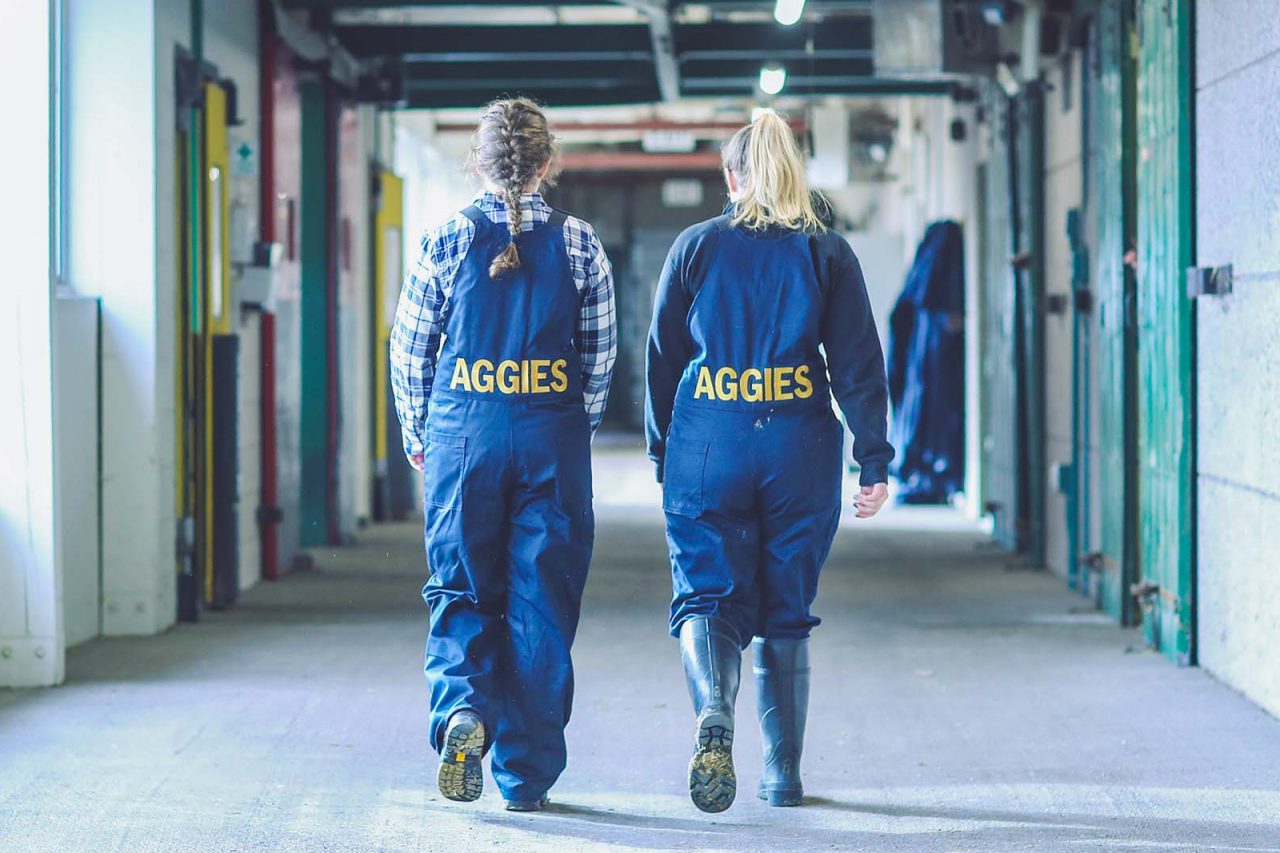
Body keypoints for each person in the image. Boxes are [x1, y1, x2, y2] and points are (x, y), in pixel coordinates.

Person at [645, 109, 893, 813]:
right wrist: (873, 459)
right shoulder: (827, 253)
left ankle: (712, 708)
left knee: (705, 595)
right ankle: (783, 775)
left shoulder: (695, 247)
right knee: (786, 609)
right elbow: (858, 364)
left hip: (709, 439)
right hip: (797, 445)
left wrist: (664, 451)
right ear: (794, 176)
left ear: (731, 178)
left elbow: (662, 359)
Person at [390, 98, 616, 813]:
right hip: (551, 436)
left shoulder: (445, 239)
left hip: (465, 434)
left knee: (460, 587)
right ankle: (526, 776)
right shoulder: (580, 243)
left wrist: (420, 435)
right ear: (546, 164)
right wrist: (569, 428)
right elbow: (599, 358)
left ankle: (463, 709)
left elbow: (410, 350)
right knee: (541, 601)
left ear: (479, 163)